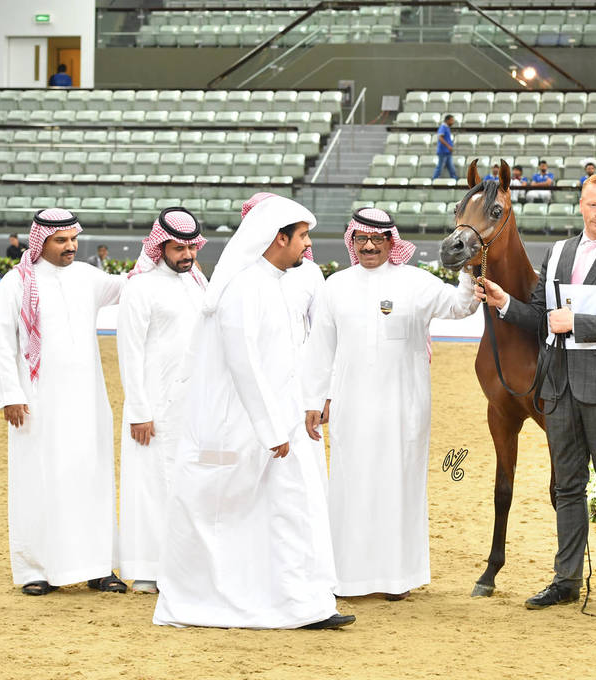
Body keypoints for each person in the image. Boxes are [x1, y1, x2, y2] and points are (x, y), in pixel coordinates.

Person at [153, 195, 349, 630]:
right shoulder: (243, 287)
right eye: (302, 237)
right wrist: (270, 427)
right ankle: (248, 604)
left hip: (283, 425)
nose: (307, 245)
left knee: (294, 512)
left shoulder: (276, 282)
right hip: (248, 429)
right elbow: (244, 362)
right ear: (279, 238)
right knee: (247, 518)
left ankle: (304, 604)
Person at [475, 174, 596, 613]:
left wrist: (578, 323)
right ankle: (566, 578)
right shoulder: (557, 252)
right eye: (592, 205)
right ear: (580, 204)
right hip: (557, 385)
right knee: (568, 487)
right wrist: (503, 303)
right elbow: (539, 315)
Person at [303, 207, 479, 601]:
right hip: (352, 407)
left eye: (377, 240)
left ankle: (397, 578)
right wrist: (314, 399)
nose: (368, 246)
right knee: (352, 486)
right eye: (361, 239)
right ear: (351, 241)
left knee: (399, 487)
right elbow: (320, 349)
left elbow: (461, 307)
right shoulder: (335, 286)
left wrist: (470, 270)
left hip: (405, 409)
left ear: (391, 242)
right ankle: (347, 576)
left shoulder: (416, 282)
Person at [0, 209, 125, 596]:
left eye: (73, 239)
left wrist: (167, 254)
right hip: (37, 402)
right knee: (40, 480)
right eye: (61, 240)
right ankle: (37, 569)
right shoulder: (15, 283)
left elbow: (131, 286)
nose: (71, 246)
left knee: (91, 477)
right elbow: (3, 341)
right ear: (42, 242)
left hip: (87, 401)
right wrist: (10, 394)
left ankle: (98, 566)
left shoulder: (88, 277)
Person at [117, 208, 208, 595]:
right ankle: (147, 569)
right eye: (177, 247)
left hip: (192, 402)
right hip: (152, 407)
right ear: (160, 247)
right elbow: (129, 352)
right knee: (150, 483)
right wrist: (139, 411)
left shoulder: (198, 283)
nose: (186, 253)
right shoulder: (141, 288)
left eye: (191, 245)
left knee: (189, 480)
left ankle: (184, 565)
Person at [243, 191, 329, 490]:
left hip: (301, 395)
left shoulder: (310, 274)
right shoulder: (240, 275)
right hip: (251, 398)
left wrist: (322, 395)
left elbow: (322, 337)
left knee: (305, 482)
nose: (307, 242)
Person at [432, 114, 457, 180]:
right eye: (452, 120)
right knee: (440, 167)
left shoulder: (447, 128)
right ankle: (434, 179)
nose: (453, 122)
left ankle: (455, 179)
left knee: (451, 167)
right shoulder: (443, 127)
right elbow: (440, 137)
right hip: (443, 151)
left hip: (447, 152)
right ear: (447, 120)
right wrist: (448, 146)